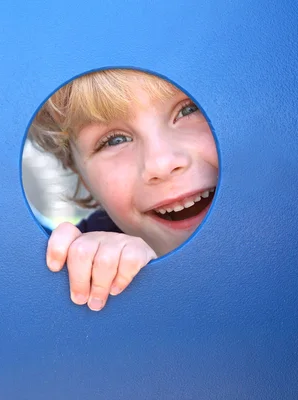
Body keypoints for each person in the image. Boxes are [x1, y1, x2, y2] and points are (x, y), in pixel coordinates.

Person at [27, 69, 218, 311]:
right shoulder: (91, 254)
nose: (161, 163)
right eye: (115, 140)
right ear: (81, 177)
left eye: (189, 110)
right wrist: (97, 268)